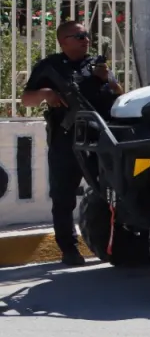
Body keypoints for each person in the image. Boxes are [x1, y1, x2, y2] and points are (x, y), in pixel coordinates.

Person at [21, 21, 125, 265]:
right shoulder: (50, 67)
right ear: (63, 41)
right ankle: (69, 250)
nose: (85, 39)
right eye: (78, 36)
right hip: (65, 140)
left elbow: (119, 94)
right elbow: (27, 99)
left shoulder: (96, 65)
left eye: (86, 35)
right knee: (63, 196)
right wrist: (46, 95)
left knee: (112, 191)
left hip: (100, 137)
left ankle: (117, 243)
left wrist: (106, 79)